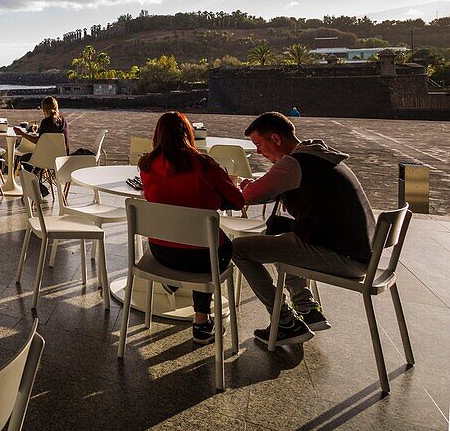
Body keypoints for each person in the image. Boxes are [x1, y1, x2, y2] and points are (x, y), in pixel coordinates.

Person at [233, 112, 375, 346]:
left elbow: (248, 196)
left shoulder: (294, 163)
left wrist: (248, 187)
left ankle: (285, 322)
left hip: (344, 256)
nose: (258, 151)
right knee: (276, 226)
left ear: (276, 139)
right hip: (359, 250)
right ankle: (307, 307)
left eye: (259, 144)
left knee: (238, 249)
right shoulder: (319, 156)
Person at [139, 112, 244, 345]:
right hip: (200, 258)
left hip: (160, 252)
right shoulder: (204, 165)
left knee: (201, 245)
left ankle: (175, 284)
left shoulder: (145, 165)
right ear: (188, 133)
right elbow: (238, 201)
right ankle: (200, 320)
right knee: (219, 248)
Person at [15, 95, 69, 165]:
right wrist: (40, 130)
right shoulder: (63, 121)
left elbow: (37, 141)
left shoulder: (46, 122)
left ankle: (33, 174)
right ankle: (40, 173)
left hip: (46, 158)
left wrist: (21, 133)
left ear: (44, 109)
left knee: (24, 158)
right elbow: (53, 132)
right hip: (62, 159)